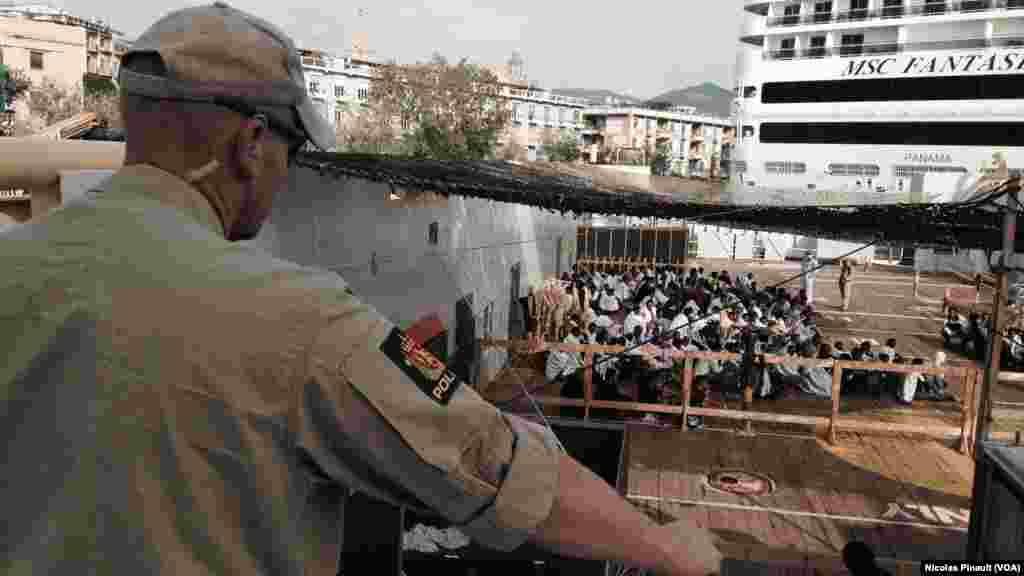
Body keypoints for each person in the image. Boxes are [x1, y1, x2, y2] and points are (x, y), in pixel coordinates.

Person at [0, 4, 721, 575]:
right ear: (251, 147)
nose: (285, 174)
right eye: (291, 152)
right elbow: (490, 463)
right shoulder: (301, 319)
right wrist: (667, 551)